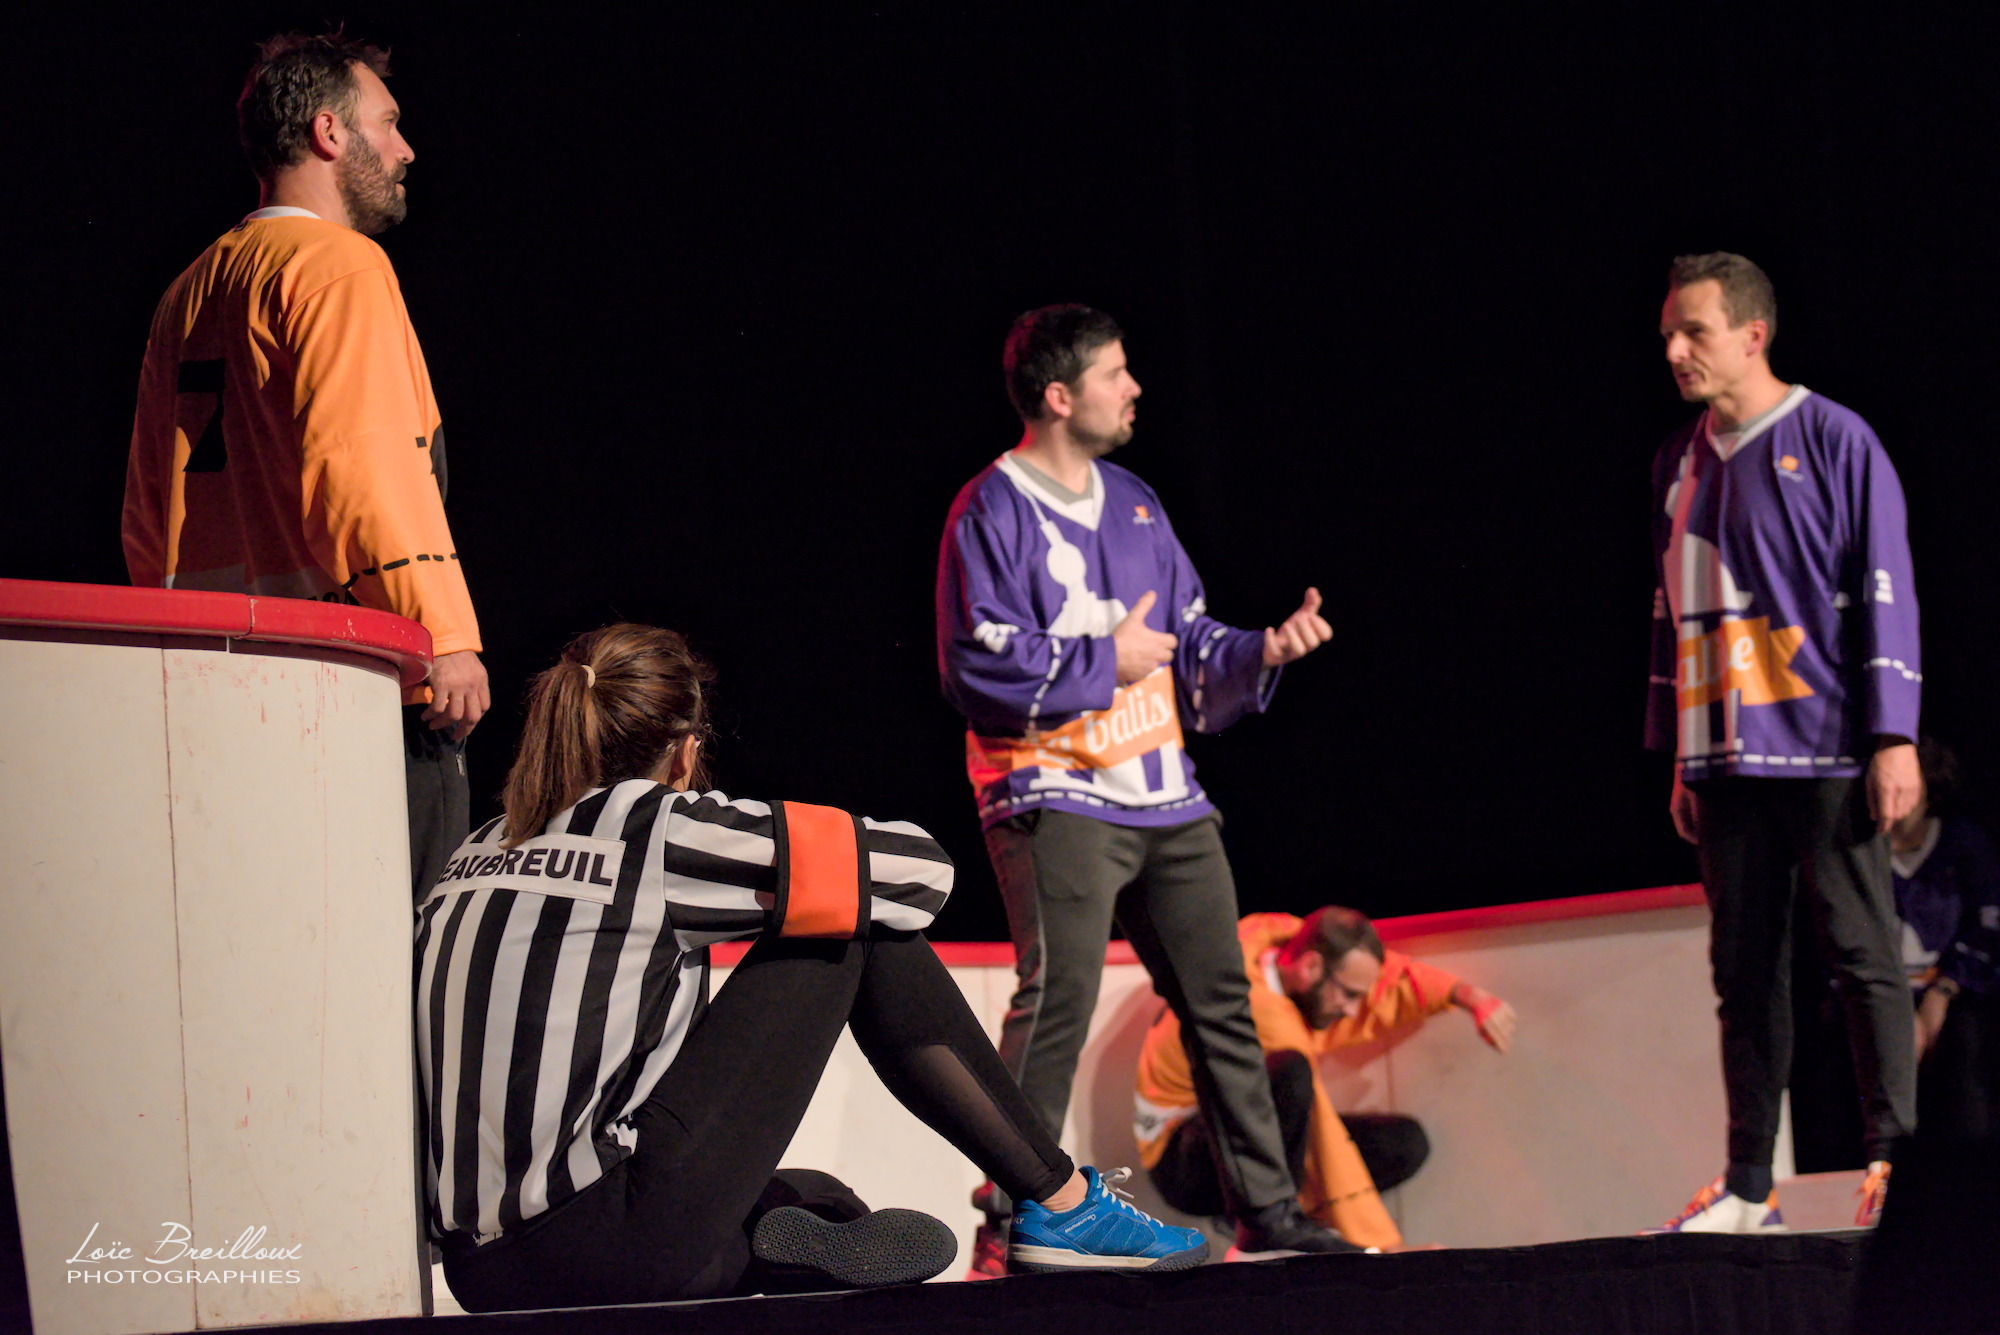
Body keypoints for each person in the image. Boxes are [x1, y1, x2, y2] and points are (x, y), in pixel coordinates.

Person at [418, 624, 1209, 1309]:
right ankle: (1065, 1202)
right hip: (606, 1239)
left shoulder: (478, 848)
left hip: (480, 1269)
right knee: (851, 918)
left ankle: (769, 1240)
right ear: (685, 749)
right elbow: (922, 873)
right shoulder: (655, 827)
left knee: (821, 1200)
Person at [935, 305, 1342, 1275]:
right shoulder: (988, 511)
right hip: (1053, 789)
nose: (1134, 388)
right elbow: (972, 664)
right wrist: (1099, 660)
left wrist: (1261, 651)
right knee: (1057, 1003)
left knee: (1222, 1005)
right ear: (1057, 396)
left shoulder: (1135, 503)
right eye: (1114, 373)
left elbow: (1189, 640)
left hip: (1165, 794)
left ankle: (1268, 1212)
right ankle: (1013, 1219)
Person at [122, 32, 488, 900]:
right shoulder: (340, 266)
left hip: (219, 690)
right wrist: (441, 633)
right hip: (356, 685)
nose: (406, 149)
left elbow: (146, 510)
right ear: (329, 132)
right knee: (394, 939)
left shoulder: (189, 289)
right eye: (388, 124)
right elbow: (363, 463)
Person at [1643, 253, 1921, 1233]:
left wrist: (1893, 734)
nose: (1674, 350)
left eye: (1694, 331)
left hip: (1825, 742)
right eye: (1668, 334)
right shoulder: (1675, 461)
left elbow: (1885, 582)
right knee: (1742, 971)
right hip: (1722, 753)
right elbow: (1666, 612)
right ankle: (1747, 1185)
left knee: (1859, 954)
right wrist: (1679, 751)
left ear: (1752, 334)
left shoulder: (1835, 439)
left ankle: (1896, 1165)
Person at [1134, 908, 1516, 1252]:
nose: (1352, 1010)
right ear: (1311, 966)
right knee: (1291, 1073)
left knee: (1402, 1145)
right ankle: (1264, 1224)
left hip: (1229, 1125)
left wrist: (1467, 996)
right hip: (1182, 1160)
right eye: (1348, 995)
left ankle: (1281, 1216)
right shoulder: (1259, 1014)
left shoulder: (1275, 933)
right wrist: (1385, 1249)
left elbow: (1384, 978)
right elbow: (1322, 1134)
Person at [1888, 741, 2000, 1141]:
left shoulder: (1963, 844)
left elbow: (1989, 927)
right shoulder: (1861, 850)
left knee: (1965, 1054)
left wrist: (1942, 993)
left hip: (1951, 990)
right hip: (1879, 995)